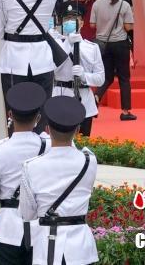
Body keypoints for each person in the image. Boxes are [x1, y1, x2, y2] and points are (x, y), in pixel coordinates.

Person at [19, 96, 98, 265]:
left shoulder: (31, 166)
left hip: (47, 246)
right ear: (77, 131)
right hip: (81, 248)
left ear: (47, 130)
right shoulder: (89, 160)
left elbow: (27, 213)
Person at [0, 82, 50, 265]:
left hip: (8, 228)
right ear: (38, 117)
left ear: (10, 115)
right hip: (40, 226)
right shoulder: (48, 146)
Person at [52, 3, 105, 136]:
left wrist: (84, 76)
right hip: (61, 96)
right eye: (66, 19)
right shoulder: (55, 45)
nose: (70, 22)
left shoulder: (92, 47)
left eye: (74, 18)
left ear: (81, 23)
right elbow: (51, 68)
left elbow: (100, 79)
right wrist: (67, 44)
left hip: (84, 99)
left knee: (83, 142)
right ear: (61, 23)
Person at [93, 0, 136, 121]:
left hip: (103, 44)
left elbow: (92, 25)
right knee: (124, 78)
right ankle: (125, 111)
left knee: (107, 77)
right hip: (120, 43)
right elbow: (129, 26)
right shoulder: (124, 5)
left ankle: (96, 96)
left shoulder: (97, 4)